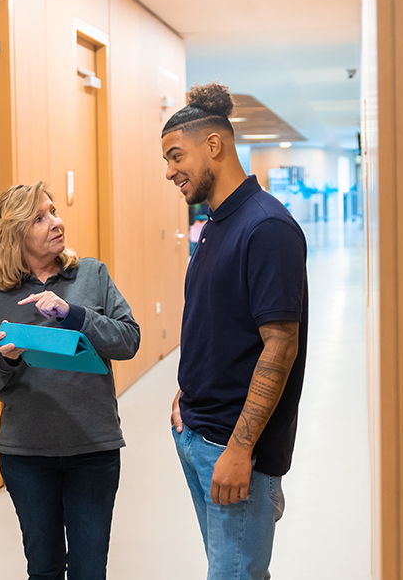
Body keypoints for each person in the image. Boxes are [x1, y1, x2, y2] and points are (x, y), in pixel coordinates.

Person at [161, 82, 308, 579]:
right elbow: (216, 320)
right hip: (199, 433)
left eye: (176, 155)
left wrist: (240, 448)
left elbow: (280, 346)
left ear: (214, 145)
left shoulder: (266, 227)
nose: (169, 171)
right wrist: (188, 391)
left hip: (234, 450)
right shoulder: (216, 224)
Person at [0, 181, 140, 580]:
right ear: (15, 234)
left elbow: (128, 340)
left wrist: (73, 314)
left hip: (93, 447)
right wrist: (4, 356)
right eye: (40, 218)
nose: (56, 222)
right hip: (26, 453)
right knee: (43, 568)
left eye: (55, 211)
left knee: (88, 569)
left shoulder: (92, 274)